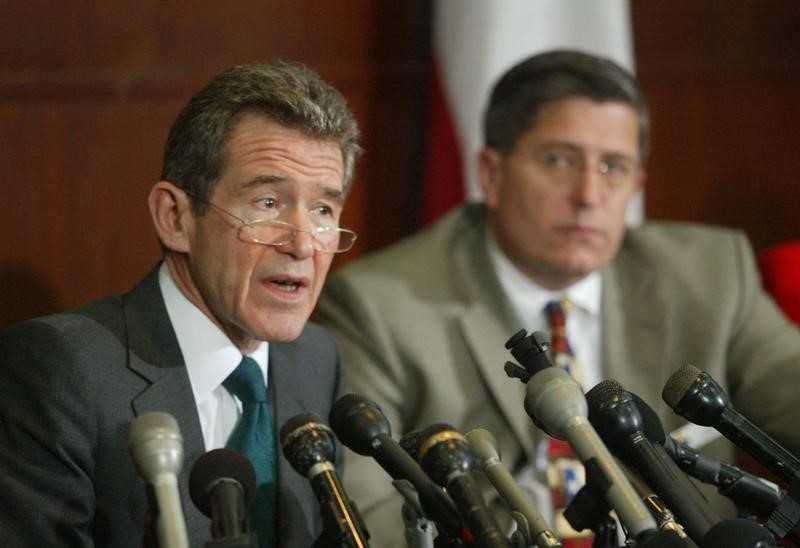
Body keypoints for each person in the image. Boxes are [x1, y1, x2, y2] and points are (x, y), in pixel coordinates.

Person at [316, 49, 800, 547]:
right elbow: (366, 514)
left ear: (637, 185)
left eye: (613, 167)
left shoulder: (712, 276)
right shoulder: (379, 306)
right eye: (558, 160)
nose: (589, 193)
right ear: (491, 175)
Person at [0, 60, 361, 547]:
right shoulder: (62, 371)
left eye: (323, 210)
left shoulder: (316, 361)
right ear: (175, 217)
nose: (302, 244)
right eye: (268, 203)